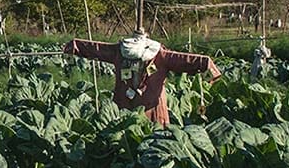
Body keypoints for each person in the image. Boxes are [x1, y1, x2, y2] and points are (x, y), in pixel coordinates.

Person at [63, 32, 221, 126]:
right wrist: (207, 65)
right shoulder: (127, 52)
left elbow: (96, 48)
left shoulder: (127, 52)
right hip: (139, 108)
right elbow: (95, 48)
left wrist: (74, 46)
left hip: (141, 108)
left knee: (142, 137)